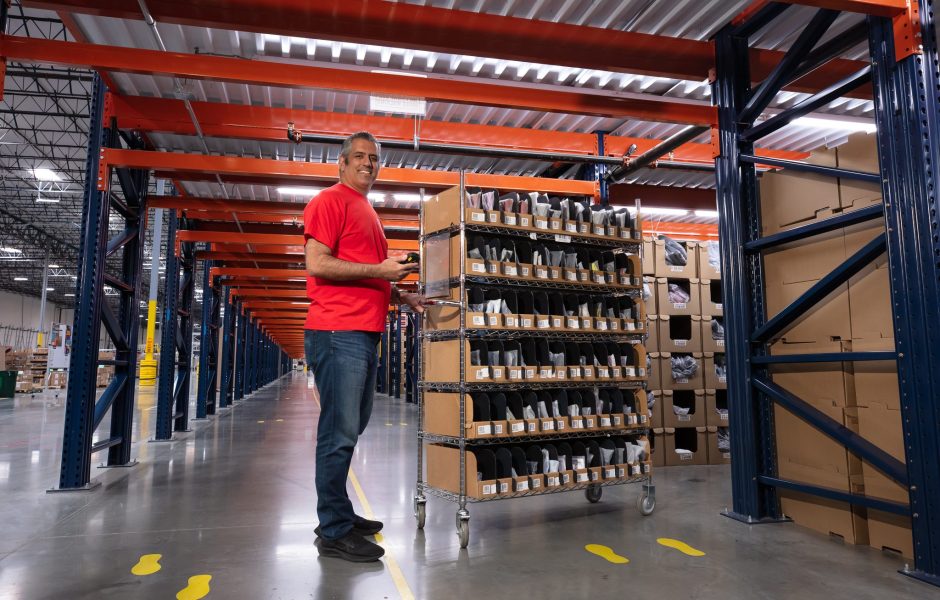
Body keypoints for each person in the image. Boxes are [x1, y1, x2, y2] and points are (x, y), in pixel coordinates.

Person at [303, 131, 425, 563]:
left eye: (374, 158)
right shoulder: (330, 201)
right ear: (341, 162)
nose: (367, 164)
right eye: (359, 157)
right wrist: (380, 268)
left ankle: (339, 511)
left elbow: (370, 276)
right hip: (338, 331)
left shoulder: (368, 211)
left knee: (351, 428)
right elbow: (317, 263)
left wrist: (400, 295)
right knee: (338, 433)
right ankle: (333, 531)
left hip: (362, 332)